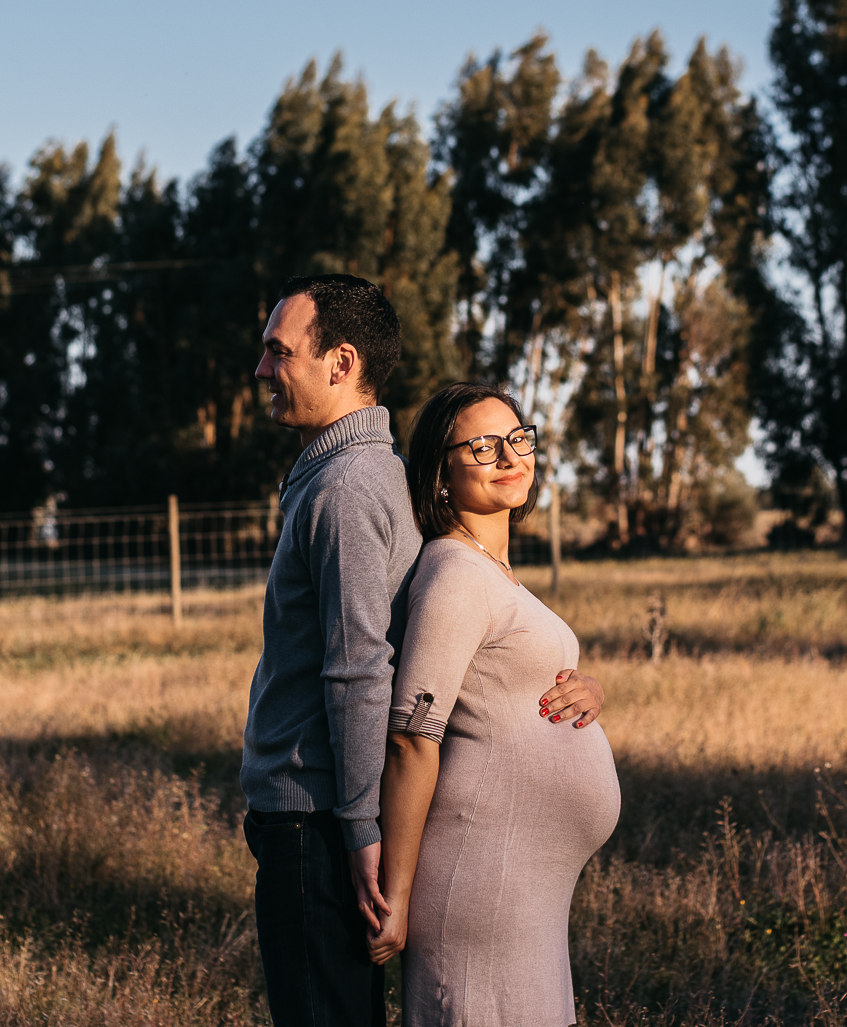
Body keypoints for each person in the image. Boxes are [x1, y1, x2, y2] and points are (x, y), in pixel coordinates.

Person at [241, 278, 606, 1027]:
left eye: (279, 352)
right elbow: (411, 679)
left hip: (318, 816)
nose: (262, 370)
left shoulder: (348, 486)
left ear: (341, 363)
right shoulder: (349, 483)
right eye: (481, 445)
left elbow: (362, 672)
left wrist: (362, 833)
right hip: (337, 821)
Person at [367, 382, 622, 1027]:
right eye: (481, 446)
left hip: (524, 896)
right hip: (483, 888)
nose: (509, 456)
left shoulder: (491, 576)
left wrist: (589, 691)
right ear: (440, 473)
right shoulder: (454, 574)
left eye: (517, 439)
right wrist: (393, 893)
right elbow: (413, 733)